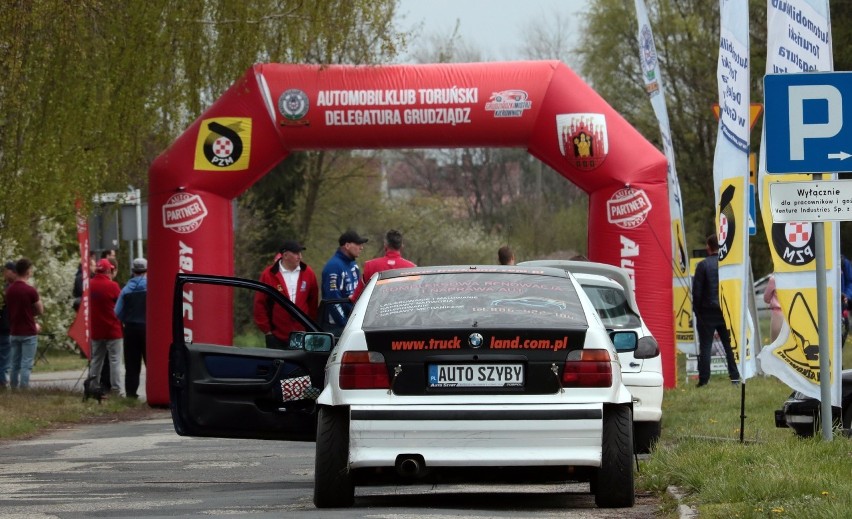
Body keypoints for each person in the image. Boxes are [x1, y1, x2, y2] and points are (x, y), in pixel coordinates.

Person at [692, 234, 740, 386]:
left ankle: (704, 380)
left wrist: (696, 310)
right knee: (729, 346)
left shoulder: (702, 265)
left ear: (708, 246)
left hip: (706, 312)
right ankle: (735, 377)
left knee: (705, 347)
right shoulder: (727, 264)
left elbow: (697, 291)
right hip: (725, 311)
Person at [253, 241, 319, 349]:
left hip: (302, 335)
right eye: (296, 253)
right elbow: (260, 304)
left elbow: (313, 302)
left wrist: (310, 327)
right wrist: (267, 331)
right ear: (285, 255)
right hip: (277, 335)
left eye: (300, 253)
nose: (300, 257)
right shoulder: (268, 274)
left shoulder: (308, 273)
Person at [5, 258, 44, 389]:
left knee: (14, 363)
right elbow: (40, 309)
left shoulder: (9, 290)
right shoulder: (30, 290)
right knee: (26, 364)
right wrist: (32, 313)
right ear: (27, 271)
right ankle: (24, 389)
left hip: (14, 331)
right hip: (28, 331)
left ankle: (14, 387)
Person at [89, 258, 124, 397]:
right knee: (115, 360)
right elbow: (121, 304)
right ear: (109, 270)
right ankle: (116, 390)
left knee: (97, 359)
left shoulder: (89, 286)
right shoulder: (113, 286)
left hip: (96, 330)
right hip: (113, 329)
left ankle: (92, 386)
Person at [115, 258, 147, 399]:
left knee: (132, 363)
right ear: (146, 271)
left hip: (131, 329)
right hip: (148, 329)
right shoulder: (151, 287)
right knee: (150, 362)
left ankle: (131, 393)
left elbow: (117, 312)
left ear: (132, 271)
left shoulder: (126, 290)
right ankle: (153, 391)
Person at [322, 230, 368, 327]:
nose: (361, 247)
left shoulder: (353, 265)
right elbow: (332, 299)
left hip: (352, 322)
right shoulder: (333, 267)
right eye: (358, 244)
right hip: (336, 326)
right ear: (347, 246)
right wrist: (344, 324)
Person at [354, 230, 416, 300]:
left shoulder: (370, 265)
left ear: (385, 245)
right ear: (401, 246)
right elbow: (414, 295)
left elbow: (357, 296)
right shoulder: (412, 268)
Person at [0, 261, 19, 388]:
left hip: (6, 327)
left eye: (6, 270)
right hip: (5, 327)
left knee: (4, 356)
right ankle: (2, 382)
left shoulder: (9, 289)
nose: (4, 273)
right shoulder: (7, 289)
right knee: (4, 357)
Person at [763, 274, 783, 343]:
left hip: (778, 314)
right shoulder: (792, 277)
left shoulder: (774, 279)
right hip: (791, 313)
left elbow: (766, 298)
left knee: (775, 343)